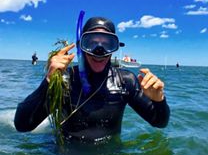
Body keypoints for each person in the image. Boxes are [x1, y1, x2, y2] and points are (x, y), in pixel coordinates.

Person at [14, 16, 170, 142]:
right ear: (82, 46)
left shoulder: (125, 81)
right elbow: (22, 125)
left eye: (107, 44)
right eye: (92, 43)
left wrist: (159, 100)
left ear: (114, 48)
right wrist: (48, 81)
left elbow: (160, 122)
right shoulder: (64, 80)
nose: (99, 51)